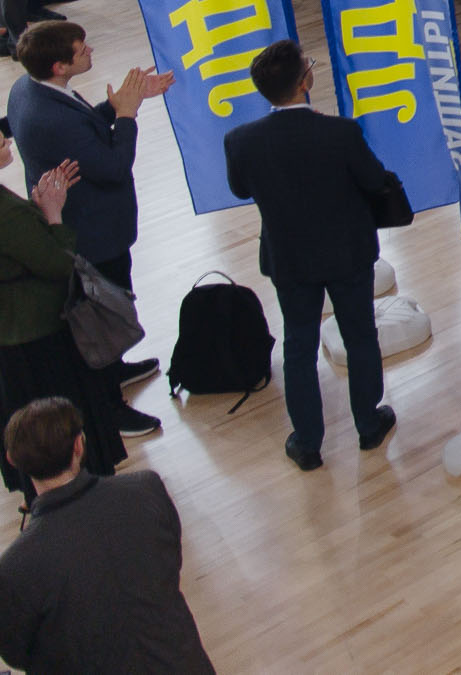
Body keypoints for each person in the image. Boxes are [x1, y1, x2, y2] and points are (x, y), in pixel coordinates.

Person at [220, 40, 404, 469]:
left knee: (298, 347)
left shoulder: (240, 140)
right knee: (360, 337)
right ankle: (368, 424)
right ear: (305, 82)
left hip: (290, 258)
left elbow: (240, 189)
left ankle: (307, 443)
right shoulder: (341, 132)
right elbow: (374, 179)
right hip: (348, 252)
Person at [7, 19, 171, 428]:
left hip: (91, 223)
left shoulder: (27, 88)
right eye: (82, 50)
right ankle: (110, 408)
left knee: (111, 309)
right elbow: (113, 166)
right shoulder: (52, 117)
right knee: (100, 317)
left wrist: (114, 107)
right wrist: (127, 116)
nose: (91, 51)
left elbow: (81, 131)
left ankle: (115, 369)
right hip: (93, 234)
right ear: (60, 66)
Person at [0, 398, 214, 675]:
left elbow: (16, 653)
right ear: (79, 445)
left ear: (12, 460)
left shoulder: (15, 566)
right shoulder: (146, 489)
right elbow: (170, 561)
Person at [0, 128, 125, 503]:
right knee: (57, 426)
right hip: (39, 338)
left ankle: (40, 497)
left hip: (10, 342)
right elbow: (57, 263)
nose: (6, 139)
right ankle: (83, 500)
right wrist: (52, 215)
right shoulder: (6, 214)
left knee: (27, 430)